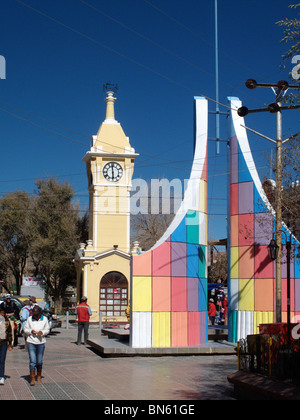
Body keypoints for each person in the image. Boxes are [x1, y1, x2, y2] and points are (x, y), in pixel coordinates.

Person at [24, 305, 50, 386]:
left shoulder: (44, 319)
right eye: (34, 314)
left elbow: (47, 329)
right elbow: (25, 329)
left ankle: (38, 375)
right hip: (31, 341)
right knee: (32, 361)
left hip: (41, 342)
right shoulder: (29, 319)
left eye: (37, 314)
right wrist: (31, 331)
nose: (35, 316)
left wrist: (42, 332)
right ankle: (32, 378)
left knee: (39, 361)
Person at [0, 308, 13, 385]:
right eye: (1, 313)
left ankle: (1, 376)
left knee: (2, 360)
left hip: (3, 343)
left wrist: (10, 343)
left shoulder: (6, 321)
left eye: (3, 313)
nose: (2, 315)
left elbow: (9, 332)